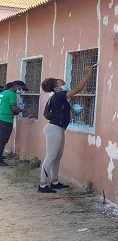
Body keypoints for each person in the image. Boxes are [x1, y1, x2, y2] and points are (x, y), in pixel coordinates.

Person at [37, 65, 94, 193]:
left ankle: (55, 182)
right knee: (51, 156)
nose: (63, 84)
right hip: (54, 129)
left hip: (58, 129)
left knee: (58, 156)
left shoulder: (57, 96)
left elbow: (61, 85)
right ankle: (42, 185)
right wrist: (87, 75)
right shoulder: (59, 95)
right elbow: (78, 89)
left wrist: (59, 81)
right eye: (59, 84)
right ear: (56, 88)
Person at [0, 80, 27, 166]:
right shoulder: (12, 94)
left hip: (1, 118)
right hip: (6, 120)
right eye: (21, 88)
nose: (21, 91)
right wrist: (22, 110)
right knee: (2, 140)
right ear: (16, 86)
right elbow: (14, 109)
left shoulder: (3, 92)